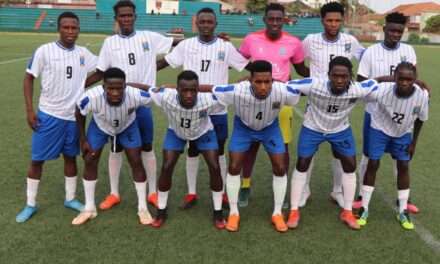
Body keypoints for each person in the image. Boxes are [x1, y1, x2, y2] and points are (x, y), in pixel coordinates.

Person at [85, 0, 179, 211]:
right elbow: (101, 71)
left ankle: (153, 192)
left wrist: (158, 67)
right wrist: (79, 86)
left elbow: (178, 43)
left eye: (129, 15)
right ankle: (114, 193)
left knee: (146, 147)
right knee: (116, 148)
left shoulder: (149, 37)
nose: (126, 19)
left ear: (135, 16)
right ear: (116, 19)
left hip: (142, 103)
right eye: (122, 16)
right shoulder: (110, 43)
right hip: (117, 103)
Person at [156, 7, 249, 209]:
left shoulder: (225, 47)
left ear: (215, 24)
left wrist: (257, 75)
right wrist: (141, 72)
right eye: (202, 22)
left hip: (217, 109)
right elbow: (165, 62)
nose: (206, 25)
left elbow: (246, 66)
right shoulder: (186, 45)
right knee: (192, 150)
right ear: (197, 23)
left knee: (219, 151)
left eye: (210, 22)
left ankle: (222, 191)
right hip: (189, 108)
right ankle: (191, 193)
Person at [16, 12, 97, 223]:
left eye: (74, 28)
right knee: (37, 160)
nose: (70, 32)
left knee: (71, 157)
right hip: (49, 114)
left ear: (79, 30)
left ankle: (70, 198)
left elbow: (102, 70)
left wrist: (82, 84)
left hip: (73, 118)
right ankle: (30, 204)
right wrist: (29, 110)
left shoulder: (83, 53)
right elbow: (28, 78)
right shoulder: (45, 51)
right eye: (66, 27)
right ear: (59, 29)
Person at [203, 60, 301, 232]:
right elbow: (210, 88)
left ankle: (277, 213)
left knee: (280, 166)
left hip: (270, 128)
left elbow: (301, 91)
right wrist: (173, 88)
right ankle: (234, 212)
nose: (263, 87)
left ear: (273, 80)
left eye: (267, 81)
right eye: (258, 82)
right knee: (234, 166)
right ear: (250, 80)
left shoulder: (282, 91)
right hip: (244, 128)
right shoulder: (237, 90)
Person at [287, 57, 382, 230]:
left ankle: (347, 210)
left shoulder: (357, 89)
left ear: (350, 76)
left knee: (350, 165)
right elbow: (288, 85)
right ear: (328, 75)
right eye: (335, 75)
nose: (339, 80)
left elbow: (376, 85)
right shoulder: (315, 84)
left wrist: (416, 83)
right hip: (312, 127)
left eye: (344, 76)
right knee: (302, 163)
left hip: (340, 130)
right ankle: (293, 210)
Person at [238, 3, 308, 207]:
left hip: (281, 101)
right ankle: (245, 185)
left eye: (279, 19)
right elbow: (238, 60)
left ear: (284, 20)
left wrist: (322, 80)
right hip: (253, 99)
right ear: (265, 19)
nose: (275, 23)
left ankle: (281, 189)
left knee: (282, 147)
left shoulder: (294, 43)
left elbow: (301, 69)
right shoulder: (251, 39)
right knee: (250, 146)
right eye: (271, 19)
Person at [300, 1, 365, 208]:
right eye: (329, 20)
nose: (333, 24)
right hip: (316, 102)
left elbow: (367, 58)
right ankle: (304, 189)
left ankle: (337, 191)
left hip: (340, 103)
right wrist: (312, 84)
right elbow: (298, 62)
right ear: (322, 21)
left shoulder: (350, 41)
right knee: (309, 150)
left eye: (337, 20)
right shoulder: (310, 40)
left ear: (342, 21)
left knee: (340, 150)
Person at [354, 12, 419, 214]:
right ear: (384, 29)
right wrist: (385, 80)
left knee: (402, 158)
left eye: (399, 31)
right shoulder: (371, 52)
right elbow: (361, 83)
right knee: (368, 156)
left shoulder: (409, 50)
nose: (395, 34)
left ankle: (404, 199)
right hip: (375, 113)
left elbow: (413, 80)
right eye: (391, 30)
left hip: (402, 113)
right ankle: (360, 196)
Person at [72, 68, 154, 225]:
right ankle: (89, 208)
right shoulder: (91, 97)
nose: (115, 92)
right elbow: (79, 111)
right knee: (90, 159)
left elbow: (154, 93)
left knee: (136, 160)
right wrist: (82, 139)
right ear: (104, 87)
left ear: (125, 86)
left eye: (119, 88)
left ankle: (142, 208)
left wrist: (135, 85)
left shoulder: (135, 95)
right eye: (111, 88)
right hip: (101, 126)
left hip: (127, 126)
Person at [357, 62, 428, 230]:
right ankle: (364, 207)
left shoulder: (422, 96)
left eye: (409, 79)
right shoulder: (382, 89)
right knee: (373, 163)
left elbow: (421, 119)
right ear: (394, 77)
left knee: (403, 165)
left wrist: (414, 142)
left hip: (403, 133)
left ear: (415, 79)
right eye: (400, 78)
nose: (404, 82)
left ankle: (403, 210)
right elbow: (361, 88)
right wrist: (382, 78)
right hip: (379, 130)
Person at [150, 71, 226, 229]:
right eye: (184, 90)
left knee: (214, 165)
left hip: (203, 132)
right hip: (176, 132)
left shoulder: (209, 99)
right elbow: (147, 89)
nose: (189, 94)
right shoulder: (165, 96)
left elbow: (230, 93)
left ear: (199, 89)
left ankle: (218, 212)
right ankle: (161, 210)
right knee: (167, 166)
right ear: (176, 89)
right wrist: (127, 85)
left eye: (193, 90)